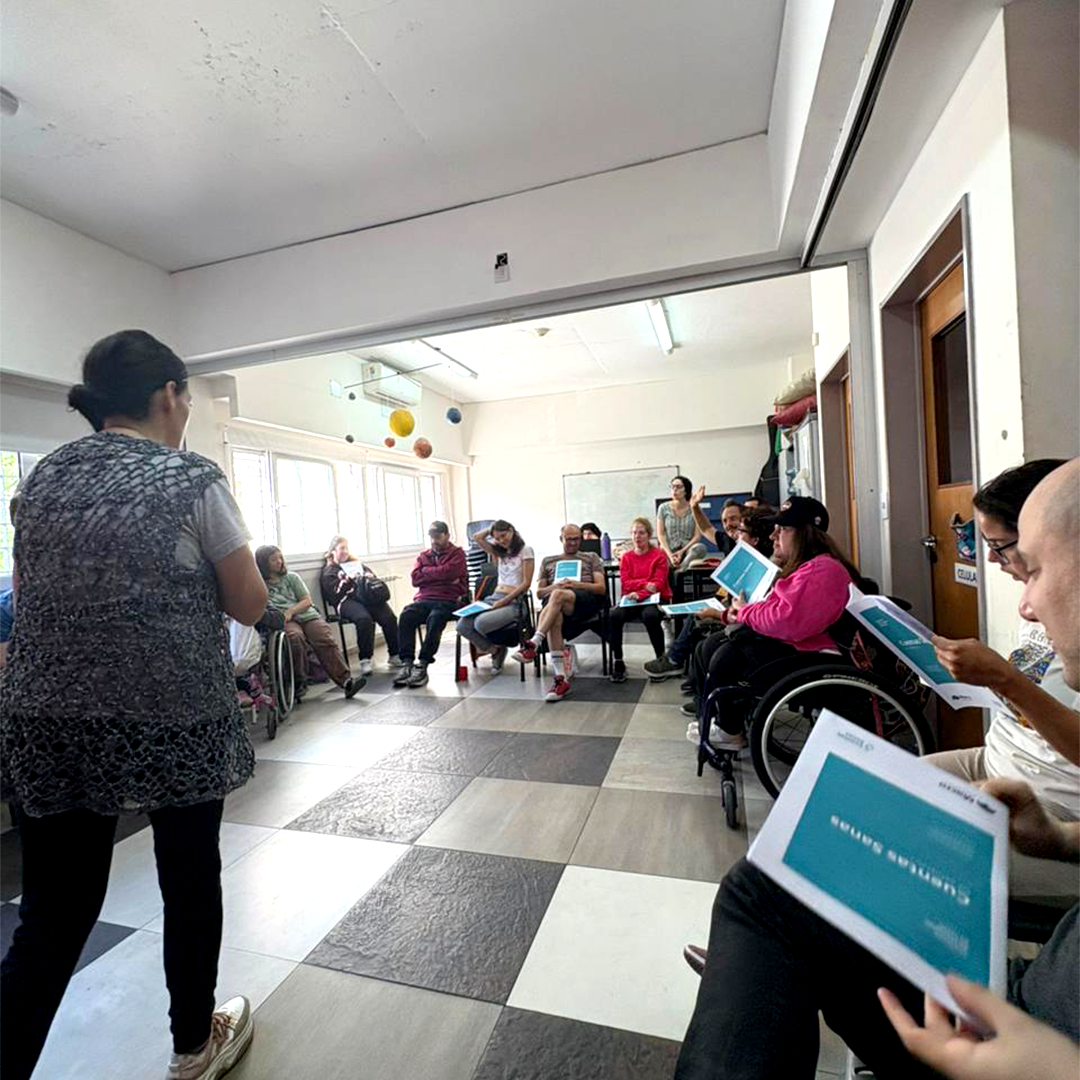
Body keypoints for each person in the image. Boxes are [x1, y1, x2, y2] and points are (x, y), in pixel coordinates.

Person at [673, 459, 1080, 1080]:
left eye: (1025, 561)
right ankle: (764, 960)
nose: (1022, 600)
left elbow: (788, 621)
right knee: (817, 829)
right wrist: (1063, 840)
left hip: (1016, 1042)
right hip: (1008, 780)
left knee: (790, 880)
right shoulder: (795, 569)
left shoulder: (821, 571)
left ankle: (769, 959)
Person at [0, 330, 268, 1080]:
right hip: (169, 713)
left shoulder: (41, 479)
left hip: (47, 719)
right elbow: (247, 603)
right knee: (188, 882)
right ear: (168, 397)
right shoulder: (191, 477)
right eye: (184, 397)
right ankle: (193, 1048)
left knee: (51, 916)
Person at [924, 460, 1077, 899]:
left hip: (1052, 796)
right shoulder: (1043, 604)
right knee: (880, 795)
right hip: (998, 761)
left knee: (916, 858)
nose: (991, 559)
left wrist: (1006, 679)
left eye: (1001, 547)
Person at [686, 497, 860, 740]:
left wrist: (745, 611)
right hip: (805, 646)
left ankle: (729, 730)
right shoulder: (809, 567)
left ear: (803, 534)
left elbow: (785, 620)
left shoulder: (821, 570)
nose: (773, 536)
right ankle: (725, 723)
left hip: (814, 657)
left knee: (725, 656)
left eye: (782, 530)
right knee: (716, 646)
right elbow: (777, 608)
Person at [643, 508, 777, 682]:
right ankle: (690, 677)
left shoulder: (762, 568)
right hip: (734, 610)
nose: (735, 532)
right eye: (725, 521)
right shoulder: (741, 552)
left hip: (745, 625)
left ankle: (677, 663)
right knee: (697, 617)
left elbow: (748, 612)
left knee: (703, 631)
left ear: (756, 539)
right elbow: (707, 529)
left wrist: (718, 612)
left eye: (740, 529)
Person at [514, 524, 606, 702]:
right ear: (561, 538)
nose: (572, 543)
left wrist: (575, 584)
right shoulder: (548, 561)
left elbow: (601, 588)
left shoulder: (591, 557)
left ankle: (534, 642)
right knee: (554, 612)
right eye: (568, 539)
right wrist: (556, 586)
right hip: (557, 602)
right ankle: (560, 679)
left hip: (583, 600)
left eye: (576, 539)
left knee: (555, 598)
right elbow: (540, 592)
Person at [256, 545, 362, 699]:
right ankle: (299, 682)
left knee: (323, 637)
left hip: (306, 615)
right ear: (263, 563)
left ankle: (346, 681)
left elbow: (307, 601)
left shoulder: (292, 577)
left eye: (280, 558)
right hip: (285, 620)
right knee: (294, 639)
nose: (279, 562)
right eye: (273, 560)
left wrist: (291, 611)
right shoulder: (261, 585)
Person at [394, 521, 468, 689]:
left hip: (449, 600)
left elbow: (452, 572)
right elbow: (415, 579)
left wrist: (427, 572)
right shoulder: (423, 556)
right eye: (432, 537)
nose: (434, 541)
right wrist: (442, 574)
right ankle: (406, 663)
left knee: (436, 618)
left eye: (438, 537)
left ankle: (423, 664)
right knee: (406, 615)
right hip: (424, 599)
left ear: (447, 536)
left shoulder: (457, 554)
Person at [319, 534, 402, 677]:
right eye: (341, 548)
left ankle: (394, 654)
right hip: (345, 601)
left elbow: (371, 577)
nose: (345, 551)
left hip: (366, 597)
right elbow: (335, 595)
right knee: (364, 619)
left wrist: (367, 577)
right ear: (333, 551)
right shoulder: (329, 571)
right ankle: (365, 659)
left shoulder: (356, 563)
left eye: (346, 548)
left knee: (389, 617)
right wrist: (347, 581)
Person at [457, 520, 534, 672]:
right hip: (494, 597)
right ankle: (496, 650)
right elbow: (477, 537)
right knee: (462, 625)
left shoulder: (526, 550)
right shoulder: (499, 552)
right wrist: (492, 528)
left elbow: (526, 584)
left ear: (512, 531)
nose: (501, 541)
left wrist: (504, 601)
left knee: (480, 623)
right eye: (497, 538)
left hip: (514, 602)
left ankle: (501, 646)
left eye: (504, 535)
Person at [607, 517, 672, 682]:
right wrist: (644, 584)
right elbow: (626, 584)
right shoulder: (627, 557)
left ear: (649, 535)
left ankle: (660, 659)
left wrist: (641, 592)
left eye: (641, 532)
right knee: (614, 614)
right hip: (632, 598)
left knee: (650, 615)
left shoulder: (659, 555)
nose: (637, 536)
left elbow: (658, 583)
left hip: (656, 598)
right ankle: (618, 661)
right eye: (634, 532)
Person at [657, 475, 707, 568]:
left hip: (687, 549)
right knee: (659, 554)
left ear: (686, 490)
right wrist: (670, 555)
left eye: (678, 487)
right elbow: (661, 535)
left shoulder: (695, 508)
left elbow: (697, 536)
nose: (674, 489)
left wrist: (682, 551)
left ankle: (682, 568)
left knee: (700, 548)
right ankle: (672, 572)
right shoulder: (663, 508)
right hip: (668, 549)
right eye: (672, 486)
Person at [689, 487, 742, 556]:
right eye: (725, 521)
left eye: (733, 519)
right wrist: (694, 507)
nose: (728, 524)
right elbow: (706, 528)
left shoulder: (755, 539)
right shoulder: (726, 541)